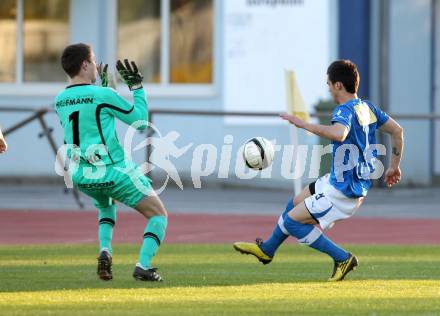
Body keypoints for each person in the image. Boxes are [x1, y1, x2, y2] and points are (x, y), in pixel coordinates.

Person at [234, 60, 404, 281]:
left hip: (344, 192)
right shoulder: (367, 107)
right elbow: (397, 130)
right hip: (339, 180)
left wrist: (303, 124)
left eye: (329, 84)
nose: (328, 88)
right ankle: (267, 250)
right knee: (295, 202)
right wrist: (394, 166)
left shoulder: (344, 109)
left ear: (339, 85)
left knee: (292, 222)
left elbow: (338, 134)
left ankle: (343, 258)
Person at [55, 43, 168, 282]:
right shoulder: (103, 95)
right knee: (159, 215)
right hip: (113, 171)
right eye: (93, 60)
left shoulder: (60, 100)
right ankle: (143, 266)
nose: (96, 64)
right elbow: (140, 122)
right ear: (85, 64)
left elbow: (91, 118)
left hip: (82, 175)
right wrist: (136, 87)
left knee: (106, 205)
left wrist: (107, 87)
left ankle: (105, 250)